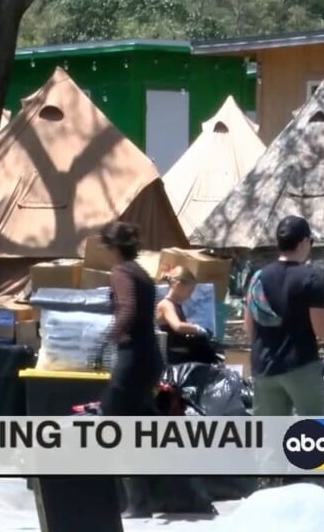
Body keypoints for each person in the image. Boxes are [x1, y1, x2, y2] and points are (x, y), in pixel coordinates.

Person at [244, 215, 324, 416]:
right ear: (304, 242)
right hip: (300, 366)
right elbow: (322, 330)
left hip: (264, 368)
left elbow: (248, 328)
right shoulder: (311, 278)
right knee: (312, 429)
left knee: (270, 433)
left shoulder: (257, 278)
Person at [100, 220, 166, 519]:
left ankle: (134, 502)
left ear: (113, 247)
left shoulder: (121, 272)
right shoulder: (141, 273)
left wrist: (106, 338)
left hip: (133, 358)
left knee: (115, 425)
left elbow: (127, 308)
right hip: (150, 357)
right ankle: (144, 499)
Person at [157, 266, 220, 366]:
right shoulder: (166, 305)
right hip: (173, 358)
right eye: (189, 291)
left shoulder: (177, 306)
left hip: (182, 356)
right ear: (178, 285)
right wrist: (197, 329)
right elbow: (178, 326)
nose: (190, 295)